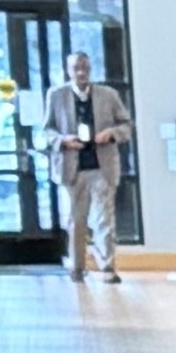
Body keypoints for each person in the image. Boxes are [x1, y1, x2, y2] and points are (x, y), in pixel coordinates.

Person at [43, 52, 130, 283]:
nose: (81, 73)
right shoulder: (56, 95)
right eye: (75, 68)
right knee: (76, 219)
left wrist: (111, 133)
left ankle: (107, 267)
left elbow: (127, 125)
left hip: (102, 166)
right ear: (68, 70)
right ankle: (77, 267)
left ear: (90, 69)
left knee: (104, 218)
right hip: (72, 168)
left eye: (84, 68)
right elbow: (46, 131)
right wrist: (62, 141)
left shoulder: (108, 95)